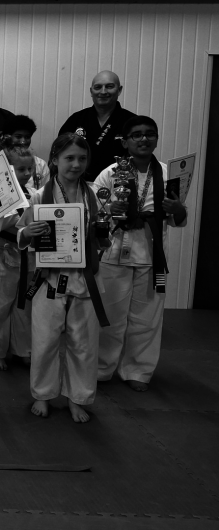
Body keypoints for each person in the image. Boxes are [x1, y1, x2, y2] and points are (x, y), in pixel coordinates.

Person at [16, 133, 107, 423]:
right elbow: (21, 235)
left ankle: (77, 398)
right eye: (69, 158)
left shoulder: (95, 195)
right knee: (45, 340)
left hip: (85, 278)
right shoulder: (37, 197)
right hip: (49, 278)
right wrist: (27, 233)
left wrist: (104, 230)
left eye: (82, 158)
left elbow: (104, 238)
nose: (76, 164)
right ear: (55, 160)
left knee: (84, 343)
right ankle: (43, 394)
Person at [94, 116, 187, 392]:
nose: (144, 139)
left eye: (150, 134)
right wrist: (108, 211)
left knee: (147, 318)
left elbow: (178, 218)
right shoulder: (110, 173)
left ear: (156, 138)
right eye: (136, 135)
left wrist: (179, 210)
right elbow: (95, 214)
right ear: (125, 142)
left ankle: (138, 370)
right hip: (114, 252)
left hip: (152, 253)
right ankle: (101, 367)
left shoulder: (169, 174)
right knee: (109, 315)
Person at [0, 137, 38, 370]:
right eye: (21, 169)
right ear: (7, 170)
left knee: (25, 306)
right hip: (4, 255)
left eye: (29, 169)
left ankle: (23, 349)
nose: (27, 173)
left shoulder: (34, 193)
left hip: (29, 256)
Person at [59, 70, 137, 180]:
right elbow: (60, 153)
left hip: (119, 183)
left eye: (109, 86)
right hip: (79, 182)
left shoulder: (132, 121)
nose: (103, 91)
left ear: (119, 90)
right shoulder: (76, 119)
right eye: (98, 87)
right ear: (91, 91)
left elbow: (140, 156)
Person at [1, 115, 50, 189]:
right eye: (18, 137)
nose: (23, 141)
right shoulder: (0, 162)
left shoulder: (41, 164)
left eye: (27, 137)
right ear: (7, 137)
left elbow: (45, 192)